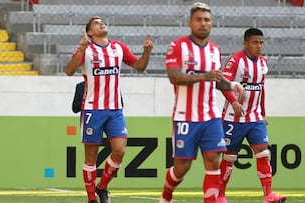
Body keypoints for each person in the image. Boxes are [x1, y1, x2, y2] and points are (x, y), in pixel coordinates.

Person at [159, 2, 245, 203]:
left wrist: (233, 85)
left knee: (213, 160)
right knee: (182, 167)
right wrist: (203, 76)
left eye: (207, 20)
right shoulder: (178, 46)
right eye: (199, 19)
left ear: (212, 24)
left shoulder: (215, 50)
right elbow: (174, 77)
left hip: (211, 116)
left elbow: (216, 80)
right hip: (185, 116)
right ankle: (166, 195)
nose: (203, 23)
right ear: (190, 23)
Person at [65, 16, 154, 203]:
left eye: (102, 21)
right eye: (96, 23)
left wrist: (146, 53)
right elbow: (69, 71)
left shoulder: (118, 48)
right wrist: (80, 48)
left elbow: (139, 66)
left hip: (115, 110)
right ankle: (91, 198)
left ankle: (103, 186)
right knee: (91, 156)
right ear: (90, 32)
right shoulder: (86, 49)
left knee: (120, 151)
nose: (102, 23)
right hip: (92, 110)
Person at [218, 28, 287, 203]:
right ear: (245, 43)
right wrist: (234, 102)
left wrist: (263, 113)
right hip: (233, 118)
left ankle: (269, 195)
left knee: (263, 152)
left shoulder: (263, 63)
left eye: (261, 43)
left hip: (255, 118)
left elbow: (261, 89)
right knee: (230, 157)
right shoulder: (235, 61)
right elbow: (223, 84)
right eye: (255, 42)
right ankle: (219, 195)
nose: (259, 46)